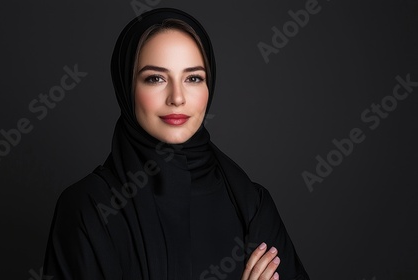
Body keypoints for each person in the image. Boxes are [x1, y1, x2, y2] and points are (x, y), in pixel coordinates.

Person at [43, 7, 309, 280]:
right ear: (126, 87)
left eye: (193, 78)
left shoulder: (252, 204)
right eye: (155, 78)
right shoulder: (89, 208)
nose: (177, 98)